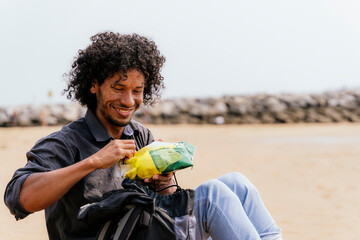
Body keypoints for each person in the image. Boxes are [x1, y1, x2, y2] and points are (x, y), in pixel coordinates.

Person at [4, 31, 282, 240]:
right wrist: (93, 162)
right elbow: (20, 198)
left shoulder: (140, 134)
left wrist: (165, 179)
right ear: (93, 86)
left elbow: (164, 199)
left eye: (137, 91)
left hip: (148, 229)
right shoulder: (66, 142)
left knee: (237, 184)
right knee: (212, 196)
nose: (129, 100)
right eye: (118, 87)